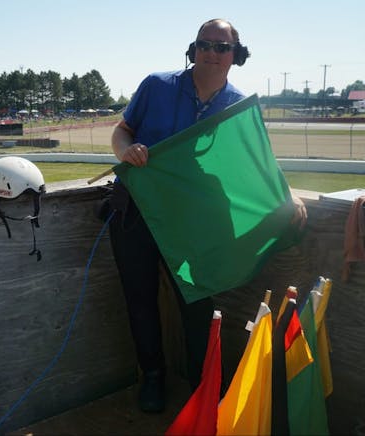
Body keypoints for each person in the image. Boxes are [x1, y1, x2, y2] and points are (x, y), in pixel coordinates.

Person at [108, 18, 307, 413]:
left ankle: (206, 387)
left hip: (194, 225)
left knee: (198, 305)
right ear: (193, 49)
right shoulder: (156, 85)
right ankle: (152, 378)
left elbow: (255, 166)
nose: (212, 53)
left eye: (222, 47)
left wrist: (288, 195)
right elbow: (122, 130)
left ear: (236, 55)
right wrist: (125, 152)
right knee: (140, 301)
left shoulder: (238, 105)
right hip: (137, 211)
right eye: (205, 45)